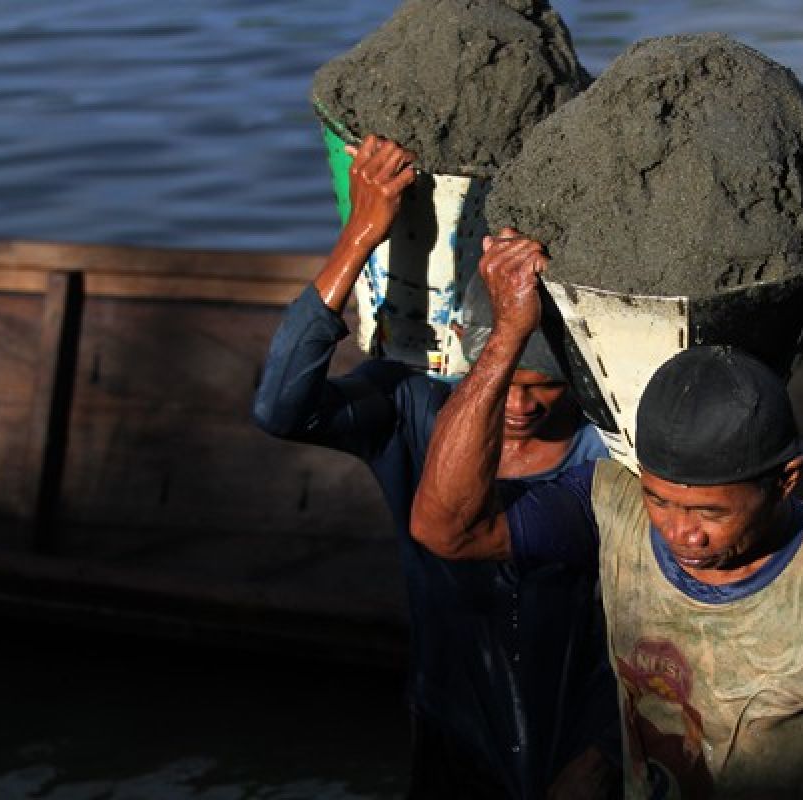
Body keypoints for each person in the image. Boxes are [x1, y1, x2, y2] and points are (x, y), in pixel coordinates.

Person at [410, 235, 803, 799]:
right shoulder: (614, 501)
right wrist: (505, 339)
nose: (680, 533)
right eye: (661, 500)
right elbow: (446, 529)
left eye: (709, 512)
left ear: (785, 481)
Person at [252, 135, 619, 799]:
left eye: (547, 387)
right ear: (463, 352)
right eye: (505, 381)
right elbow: (281, 407)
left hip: (581, 738)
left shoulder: (602, 456)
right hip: (452, 723)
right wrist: (362, 231)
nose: (523, 407)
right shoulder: (412, 409)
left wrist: (601, 747)